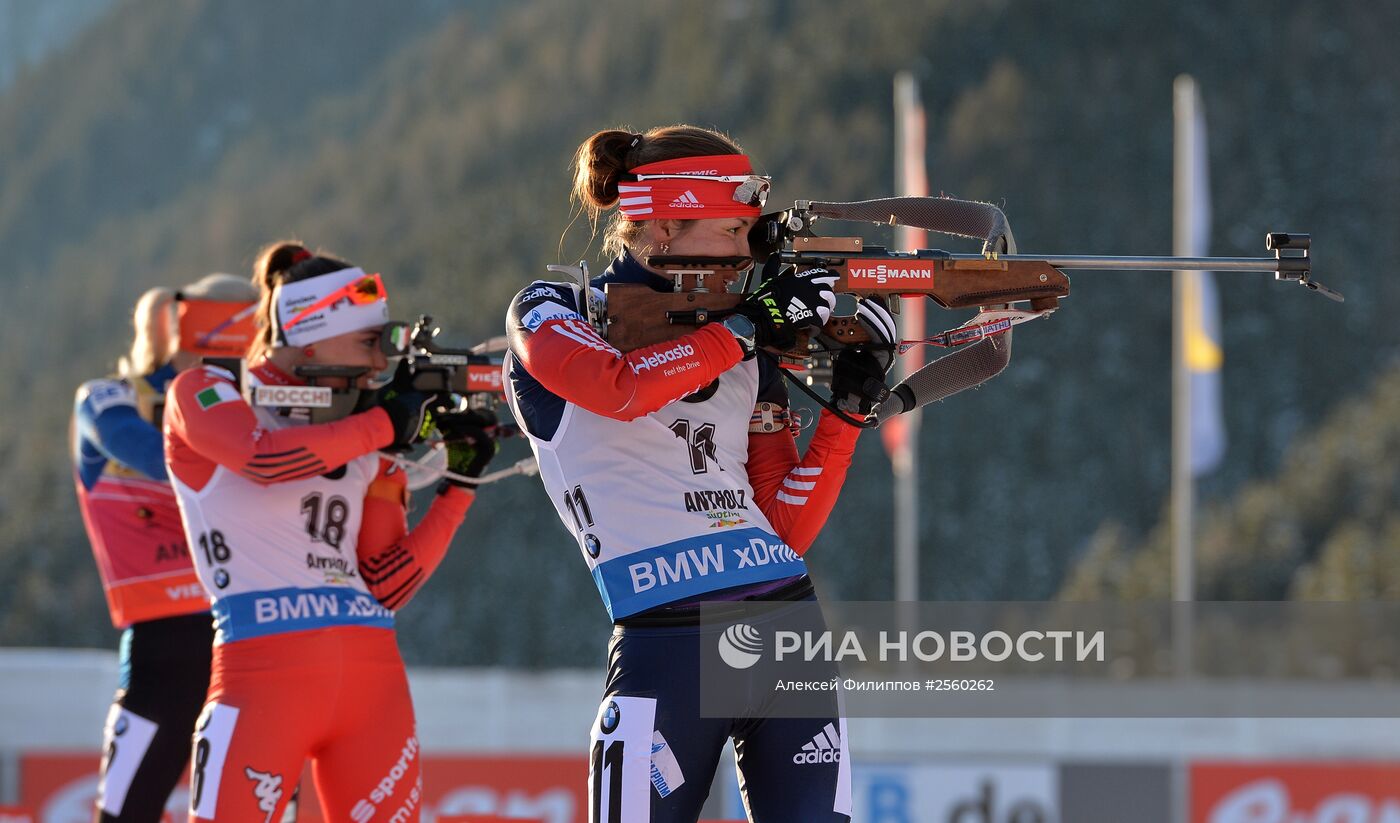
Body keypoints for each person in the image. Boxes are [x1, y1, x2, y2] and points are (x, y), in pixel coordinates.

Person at [504, 126, 897, 822]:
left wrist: (847, 410)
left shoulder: (747, 337)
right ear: (659, 226)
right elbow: (617, 386)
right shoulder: (552, 310)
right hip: (663, 643)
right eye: (731, 233)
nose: (748, 257)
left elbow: (782, 526)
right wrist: (745, 330)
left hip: (785, 626)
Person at [163, 242, 495, 822]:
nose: (377, 366)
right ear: (309, 332)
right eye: (369, 342)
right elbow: (262, 459)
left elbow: (387, 581)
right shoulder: (206, 391)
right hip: (261, 678)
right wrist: (384, 424)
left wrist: (458, 487)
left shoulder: (361, 424)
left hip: (374, 685)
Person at [73, 273, 258, 822]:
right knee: (125, 815)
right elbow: (156, 455)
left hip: (248, 631)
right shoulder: (110, 398)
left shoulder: (256, 406)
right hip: (163, 643)